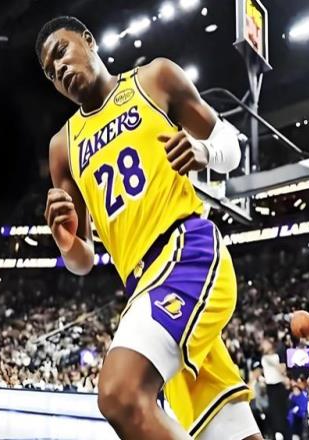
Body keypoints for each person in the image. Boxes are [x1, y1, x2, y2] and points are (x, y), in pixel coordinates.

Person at [37, 16, 261, 440]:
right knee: (228, 430)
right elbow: (84, 261)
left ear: (88, 40)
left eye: (61, 52)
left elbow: (231, 145)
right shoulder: (63, 146)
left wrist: (203, 151)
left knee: (119, 393)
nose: (59, 69)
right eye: (50, 71)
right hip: (144, 289)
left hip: (187, 253)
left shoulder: (154, 78)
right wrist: (66, 243)